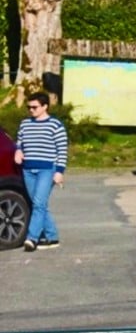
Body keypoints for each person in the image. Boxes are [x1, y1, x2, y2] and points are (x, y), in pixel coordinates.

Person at [15, 91, 68, 252]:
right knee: (38, 204)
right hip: (28, 169)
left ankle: (32, 238)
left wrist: (59, 171)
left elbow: (62, 150)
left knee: (38, 204)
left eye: (34, 107)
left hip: (47, 170)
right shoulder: (25, 124)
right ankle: (52, 237)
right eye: (29, 107)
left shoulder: (55, 125)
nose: (31, 110)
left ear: (45, 106)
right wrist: (18, 151)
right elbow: (20, 142)